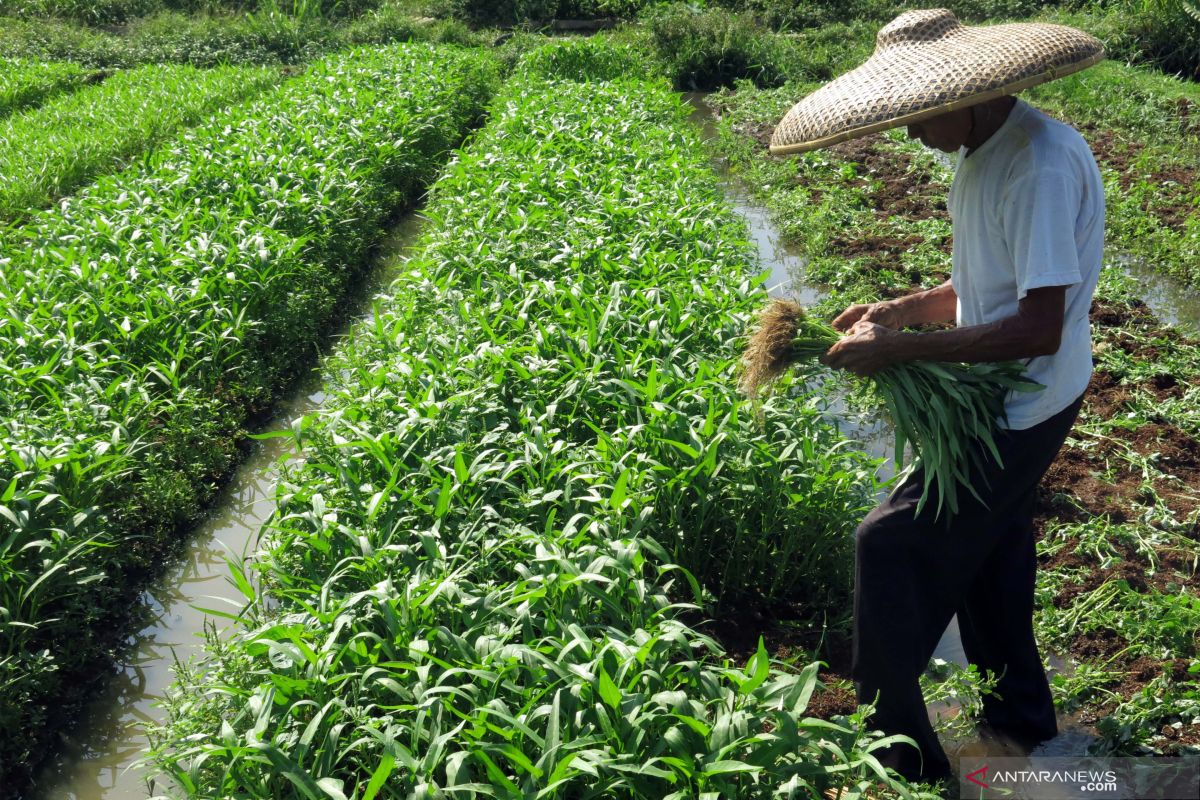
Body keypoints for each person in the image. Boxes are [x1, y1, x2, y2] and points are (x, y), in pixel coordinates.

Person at [767, 8, 1106, 787]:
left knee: (885, 545)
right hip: (1006, 394)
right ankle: (1018, 722)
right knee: (991, 563)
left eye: (920, 114)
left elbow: (1038, 324)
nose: (911, 131)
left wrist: (900, 351)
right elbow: (981, 287)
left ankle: (900, 753)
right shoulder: (981, 152)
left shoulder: (1039, 165)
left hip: (1025, 402)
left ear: (974, 93)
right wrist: (898, 311)